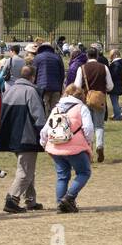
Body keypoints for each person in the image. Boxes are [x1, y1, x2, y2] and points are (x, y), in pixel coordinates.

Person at [0, 64, 48, 213]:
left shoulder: (9, 90)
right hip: (27, 137)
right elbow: (38, 117)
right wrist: (44, 134)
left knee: (27, 169)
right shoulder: (31, 91)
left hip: (12, 137)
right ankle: (12, 199)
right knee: (25, 172)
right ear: (33, 77)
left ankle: (31, 201)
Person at [42, 83, 94, 214]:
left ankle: (60, 204)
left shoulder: (56, 108)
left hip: (55, 147)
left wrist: (44, 143)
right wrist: (88, 142)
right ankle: (69, 197)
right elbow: (88, 128)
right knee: (84, 173)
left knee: (62, 176)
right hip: (75, 147)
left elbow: (45, 130)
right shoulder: (81, 108)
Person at [74, 49, 114, 163]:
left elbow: (77, 86)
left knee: (87, 126)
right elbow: (110, 86)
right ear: (97, 56)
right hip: (100, 100)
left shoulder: (81, 68)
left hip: (86, 99)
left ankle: (89, 152)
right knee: (99, 125)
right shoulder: (104, 67)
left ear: (87, 55)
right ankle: (99, 145)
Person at [32, 41, 65, 113]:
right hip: (56, 87)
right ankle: (54, 123)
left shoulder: (38, 57)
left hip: (42, 87)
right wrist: (60, 86)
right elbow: (62, 73)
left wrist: (34, 84)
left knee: (45, 107)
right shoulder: (57, 57)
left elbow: (34, 73)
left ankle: (46, 122)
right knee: (55, 109)